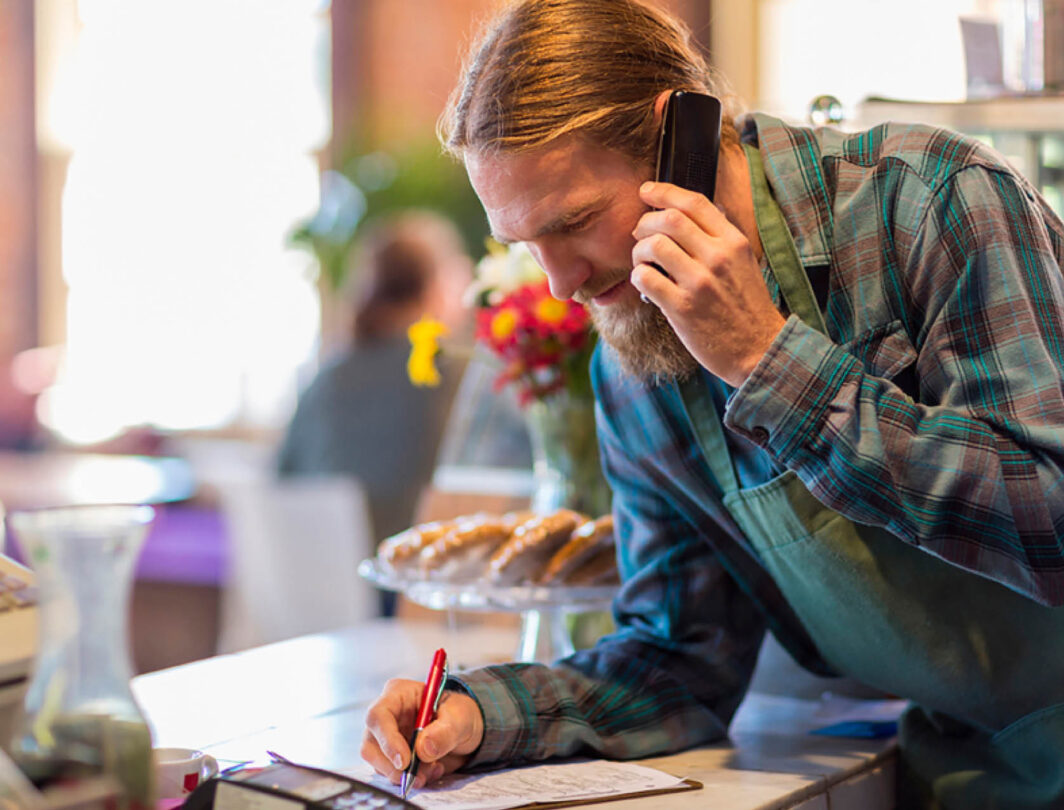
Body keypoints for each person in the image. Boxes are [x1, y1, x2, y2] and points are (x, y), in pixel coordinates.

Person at [360, 1, 1064, 806]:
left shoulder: (932, 201)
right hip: (972, 772)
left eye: (577, 221)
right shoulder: (636, 363)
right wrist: (482, 716)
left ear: (680, 136)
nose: (560, 284)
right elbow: (682, 661)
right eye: (525, 246)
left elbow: (1052, 515)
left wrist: (768, 361)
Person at [277, 210, 472, 612]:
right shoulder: (447, 374)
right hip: (410, 595)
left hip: (311, 594)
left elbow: (283, 474)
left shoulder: (328, 374)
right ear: (434, 288)